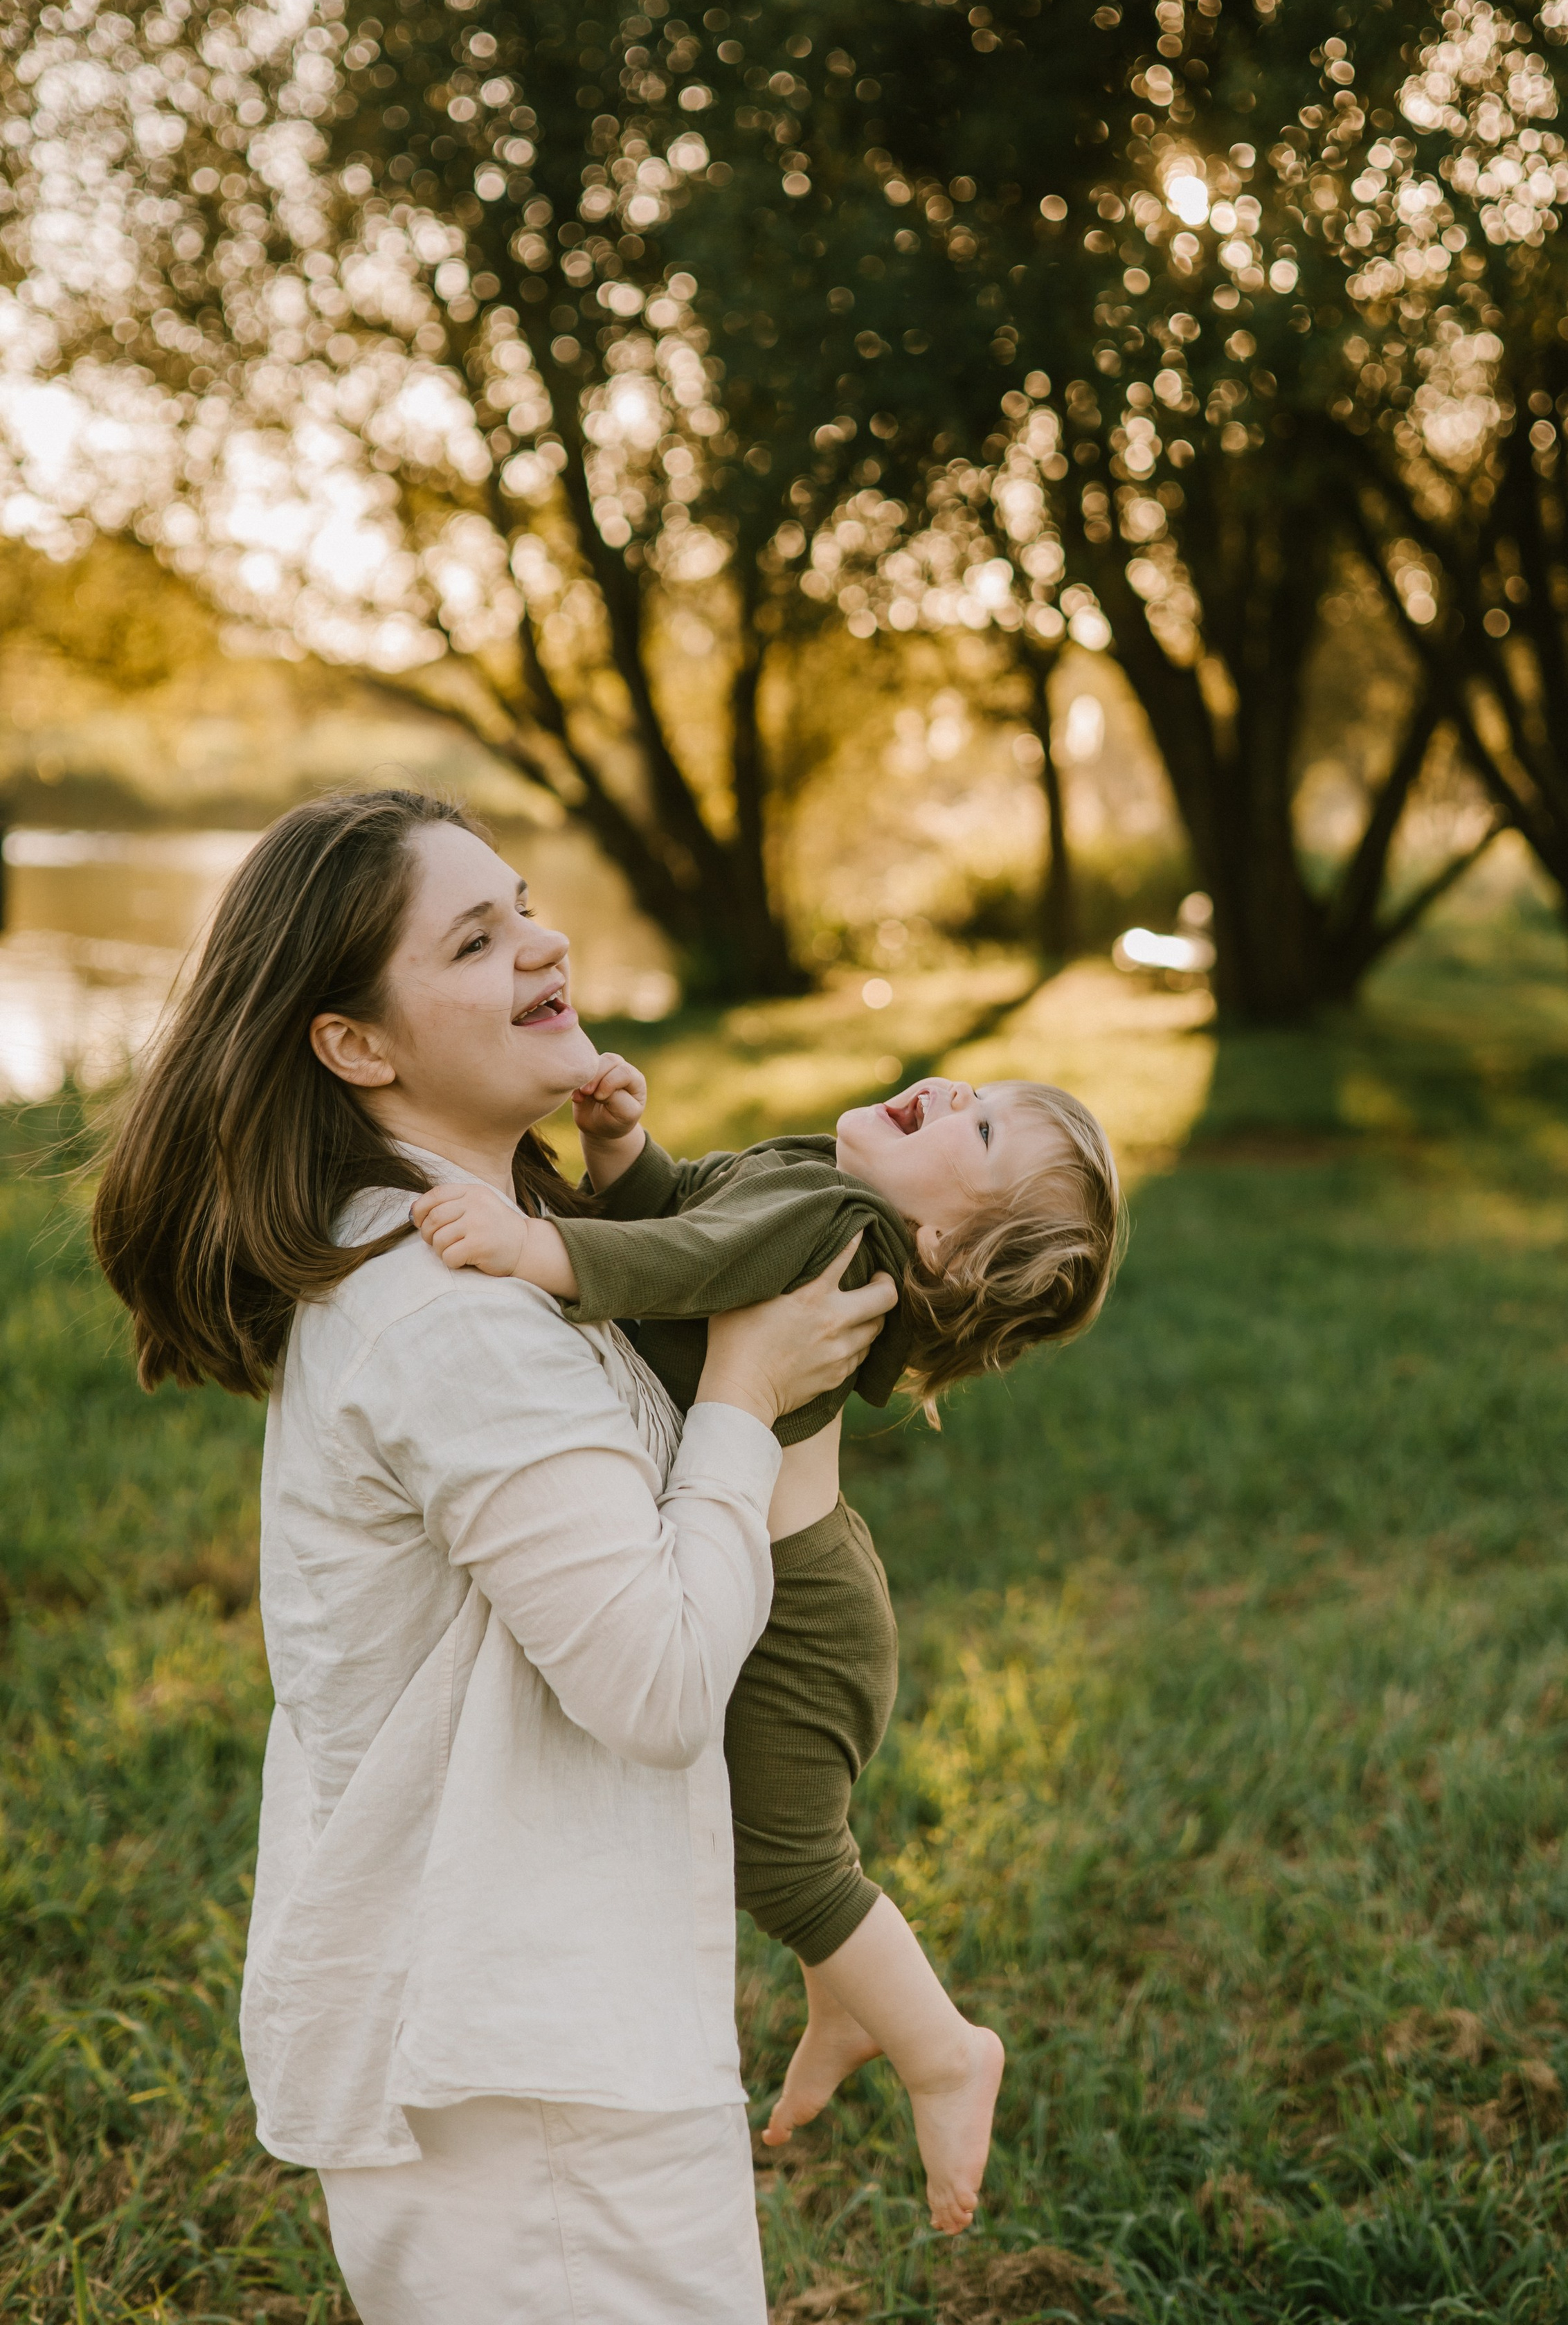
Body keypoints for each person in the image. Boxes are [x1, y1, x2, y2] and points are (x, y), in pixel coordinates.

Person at [91, 790, 898, 2325]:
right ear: (356, 1046)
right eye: (476, 937)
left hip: (529, 2024)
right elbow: (657, 1686)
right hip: (520, 2079)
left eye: (523, 905)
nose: (543, 943)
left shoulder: (481, 1242)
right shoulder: (450, 1309)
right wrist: (745, 1385)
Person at [408, 1051, 1123, 2234]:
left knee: (789, 1864)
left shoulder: (846, 1225)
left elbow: (684, 1268)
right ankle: (846, 2003)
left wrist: (537, 1244)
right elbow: (698, 1226)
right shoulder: (821, 1188)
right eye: (981, 1092)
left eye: (985, 1135)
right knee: (780, 1856)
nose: (954, 1094)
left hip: (798, 1620)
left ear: (938, 1250)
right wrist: (626, 1164)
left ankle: (946, 2054)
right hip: (804, 1576)